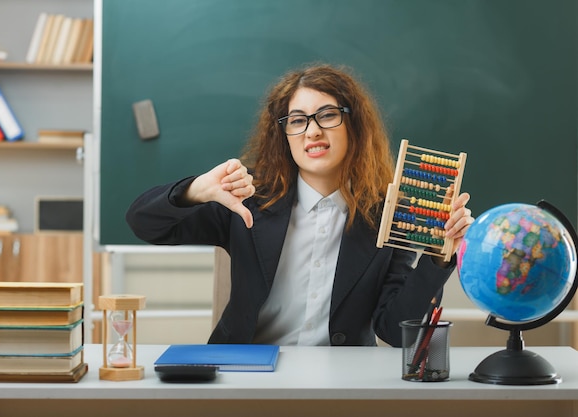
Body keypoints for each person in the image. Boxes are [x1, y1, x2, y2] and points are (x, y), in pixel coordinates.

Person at [126, 63, 473, 347]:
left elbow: (396, 332)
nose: (312, 131)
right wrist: (196, 190)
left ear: (354, 126)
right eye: (297, 120)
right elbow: (143, 223)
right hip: (246, 376)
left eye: (327, 115)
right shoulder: (248, 200)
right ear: (284, 134)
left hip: (343, 384)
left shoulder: (386, 216)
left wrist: (439, 257)